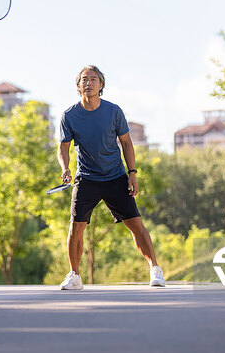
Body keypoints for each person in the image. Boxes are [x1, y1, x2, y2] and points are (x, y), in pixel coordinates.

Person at [57, 65, 165, 290]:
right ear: (78, 86)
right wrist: (65, 168)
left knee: (135, 224)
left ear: (101, 85)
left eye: (93, 79)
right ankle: (74, 275)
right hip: (86, 178)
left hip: (115, 176)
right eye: (84, 79)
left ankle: (155, 269)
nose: (89, 83)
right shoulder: (69, 115)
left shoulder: (114, 111)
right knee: (75, 227)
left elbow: (126, 143)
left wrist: (132, 174)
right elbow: (63, 147)